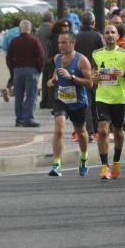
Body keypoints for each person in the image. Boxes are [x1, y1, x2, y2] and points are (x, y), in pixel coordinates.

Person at [91, 24, 125, 180]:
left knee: (118, 131)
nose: (110, 35)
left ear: (117, 36)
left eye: (112, 32)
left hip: (119, 98)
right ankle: (104, 166)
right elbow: (92, 73)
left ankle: (116, 161)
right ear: (103, 36)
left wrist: (123, 73)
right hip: (102, 96)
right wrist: (94, 77)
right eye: (107, 32)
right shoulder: (96, 54)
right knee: (103, 130)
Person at [46, 31, 93, 177]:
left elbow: (90, 83)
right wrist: (52, 80)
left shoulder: (82, 60)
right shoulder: (57, 58)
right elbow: (56, 73)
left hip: (77, 101)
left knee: (80, 132)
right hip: (60, 99)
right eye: (59, 43)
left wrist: (71, 77)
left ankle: (84, 157)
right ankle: (57, 164)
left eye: (64, 43)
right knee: (59, 129)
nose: (60, 45)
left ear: (72, 43)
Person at [6, 19, 44, 127]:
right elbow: (41, 56)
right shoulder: (35, 40)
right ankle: (28, 119)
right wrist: (39, 70)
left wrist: (12, 70)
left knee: (18, 96)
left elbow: (8, 58)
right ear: (30, 29)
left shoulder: (14, 41)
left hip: (17, 70)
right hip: (31, 70)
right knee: (31, 95)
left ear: (20, 29)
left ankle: (19, 119)